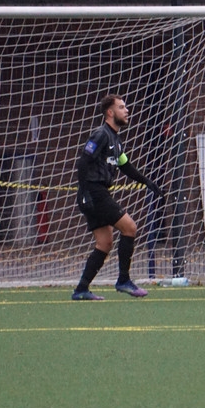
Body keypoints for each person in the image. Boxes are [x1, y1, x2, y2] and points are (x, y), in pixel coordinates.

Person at [72, 94, 165, 301]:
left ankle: (81, 289)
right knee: (130, 227)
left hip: (98, 192)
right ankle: (124, 280)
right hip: (94, 192)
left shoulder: (116, 139)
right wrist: (84, 192)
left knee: (104, 243)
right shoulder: (101, 135)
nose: (127, 110)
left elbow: (125, 166)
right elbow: (83, 162)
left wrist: (148, 182)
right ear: (110, 112)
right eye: (122, 107)